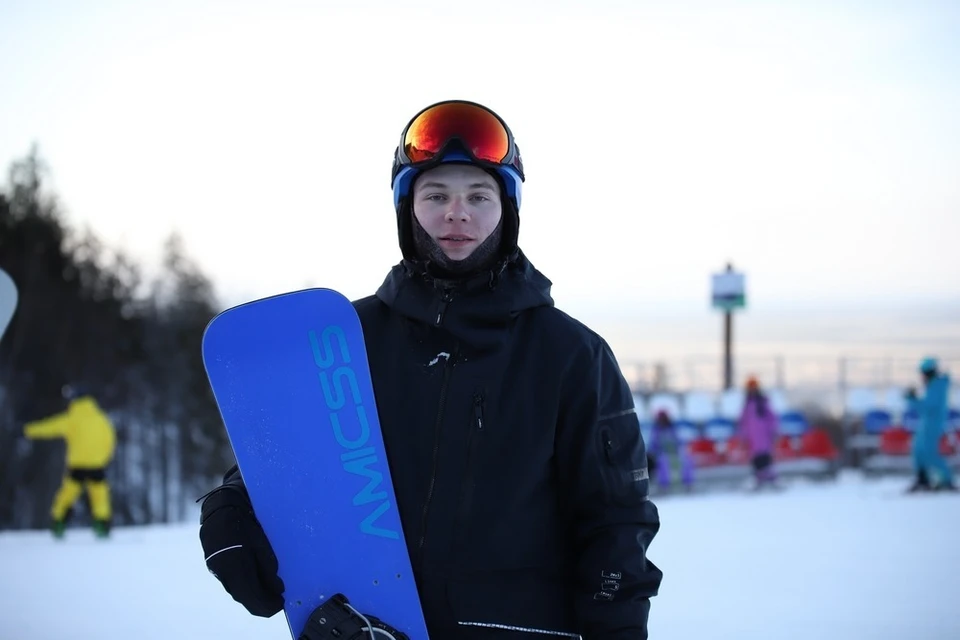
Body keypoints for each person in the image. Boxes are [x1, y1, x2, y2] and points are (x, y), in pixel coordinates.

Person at [198, 99, 663, 639]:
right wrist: (233, 504)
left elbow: (614, 524)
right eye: (436, 194)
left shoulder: (572, 356)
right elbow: (292, 467)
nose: (456, 213)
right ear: (407, 209)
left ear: (508, 210)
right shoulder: (345, 340)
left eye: (479, 196)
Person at [23, 384, 116, 538]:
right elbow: (110, 440)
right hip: (97, 465)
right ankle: (102, 523)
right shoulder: (102, 419)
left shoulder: (72, 418)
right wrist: (104, 458)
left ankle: (58, 522)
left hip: (78, 465)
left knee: (67, 494)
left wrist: (28, 430)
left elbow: (50, 427)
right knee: (100, 496)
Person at [905, 357, 956, 492]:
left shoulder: (938, 386)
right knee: (918, 450)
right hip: (926, 422)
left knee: (930, 453)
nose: (922, 377)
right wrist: (913, 399)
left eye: (924, 374)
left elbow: (927, 407)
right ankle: (923, 478)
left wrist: (912, 399)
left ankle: (946, 480)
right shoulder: (933, 385)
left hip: (933, 423)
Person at [737, 376, 780, 490]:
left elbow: (772, 418)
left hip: (764, 435)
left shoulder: (763, 401)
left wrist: (773, 430)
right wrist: (743, 433)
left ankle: (770, 478)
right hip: (752, 437)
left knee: (765, 456)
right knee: (756, 459)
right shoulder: (747, 403)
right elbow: (743, 420)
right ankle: (759, 479)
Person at [646, 410, 695, 493]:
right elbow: (653, 445)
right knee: (663, 462)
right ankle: (664, 485)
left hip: (676, 453)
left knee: (687, 460)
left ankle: (688, 483)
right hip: (662, 453)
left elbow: (679, 441)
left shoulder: (673, 429)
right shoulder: (656, 431)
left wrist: (679, 449)